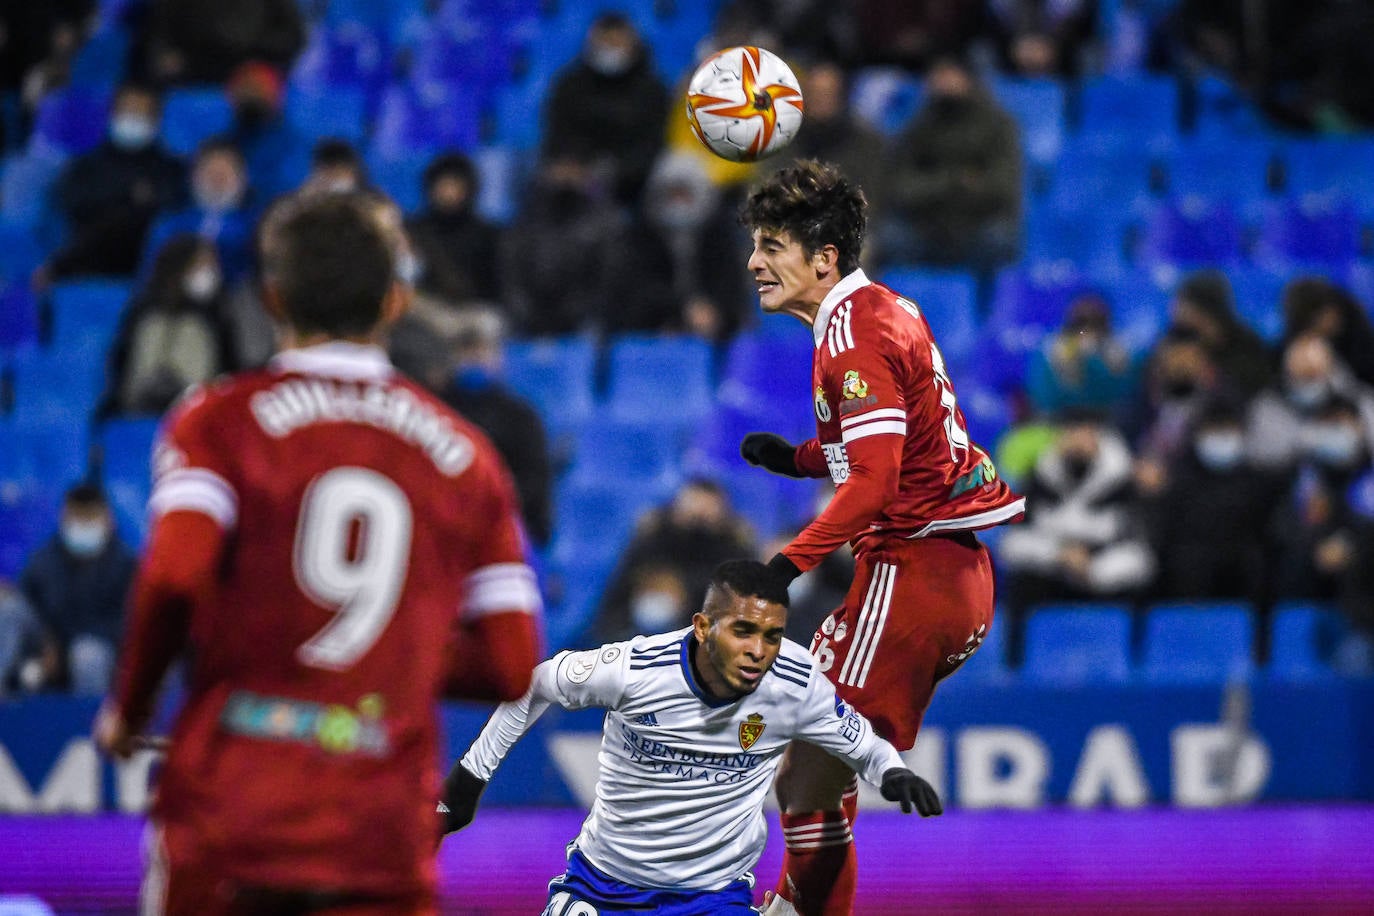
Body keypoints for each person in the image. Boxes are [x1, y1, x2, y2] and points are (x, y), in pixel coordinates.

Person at [93, 191, 542, 915]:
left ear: (273, 297)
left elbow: (175, 575)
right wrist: (405, 646)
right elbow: (512, 662)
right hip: (381, 833)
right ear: (396, 302)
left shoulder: (218, 419)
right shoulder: (466, 456)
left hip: (231, 818)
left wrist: (129, 707)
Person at [736, 161, 1024, 915]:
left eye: (771, 246)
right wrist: (798, 458)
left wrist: (782, 568)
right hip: (947, 575)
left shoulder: (852, 336)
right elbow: (892, 448)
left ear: (823, 258)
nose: (753, 263)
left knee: (805, 777)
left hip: (911, 575)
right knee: (811, 777)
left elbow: (874, 484)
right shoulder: (883, 309)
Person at [438, 560, 942, 915]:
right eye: (742, 631)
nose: (758, 650)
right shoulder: (634, 670)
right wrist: (469, 777)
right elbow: (538, 683)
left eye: (771, 635)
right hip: (604, 889)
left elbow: (859, 740)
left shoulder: (796, 682)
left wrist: (891, 770)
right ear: (703, 626)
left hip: (713, 898)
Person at [877, 56, 1023, 273]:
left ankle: (988, 303)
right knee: (889, 238)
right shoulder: (916, 127)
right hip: (925, 226)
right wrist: (953, 182)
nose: (945, 80)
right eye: (939, 73)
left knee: (999, 239)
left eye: (952, 72)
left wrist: (962, 189)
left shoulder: (997, 125)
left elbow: (1003, 186)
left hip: (978, 223)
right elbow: (900, 187)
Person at [39, 82, 187, 284]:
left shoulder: (170, 167)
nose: (133, 117)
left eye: (141, 112)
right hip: (90, 260)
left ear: (156, 119)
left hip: (143, 258)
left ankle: (58, 268)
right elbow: (72, 202)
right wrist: (128, 196)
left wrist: (110, 199)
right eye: (127, 110)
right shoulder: (86, 164)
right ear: (113, 115)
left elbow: (168, 207)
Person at [596, 478, 757, 642]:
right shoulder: (653, 536)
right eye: (693, 504)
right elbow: (619, 593)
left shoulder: (735, 546)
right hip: (638, 634)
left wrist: (685, 589)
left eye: (707, 508)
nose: (699, 514)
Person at [99, 234, 238, 418]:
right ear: (179, 267)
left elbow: (229, 372)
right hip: (139, 416)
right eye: (201, 265)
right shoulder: (144, 314)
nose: (210, 273)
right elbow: (121, 370)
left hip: (199, 417)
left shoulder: (219, 318)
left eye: (212, 266)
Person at [19, 484, 137, 696]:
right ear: (63, 518)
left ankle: (89, 723)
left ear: (108, 519)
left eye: (89, 518)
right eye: (76, 517)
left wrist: (67, 648)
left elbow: (130, 623)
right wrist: (45, 642)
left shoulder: (127, 565)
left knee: (87, 654)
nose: (82, 524)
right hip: (47, 655)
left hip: (105, 655)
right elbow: (27, 609)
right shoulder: (42, 562)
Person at [541, 12, 668, 207]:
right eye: (605, 42)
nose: (610, 49)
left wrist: (613, 170)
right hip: (577, 174)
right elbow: (558, 133)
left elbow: (654, 142)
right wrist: (572, 165)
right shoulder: (570, 85)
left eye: (616, 43)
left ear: (632, 44)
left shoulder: (652, 90)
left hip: (636, 180)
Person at [405, 152, 502, 303]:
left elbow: (495, 287)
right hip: (427, 309)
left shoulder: (488, 235)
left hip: (475, 310)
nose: (448, 193)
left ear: (469, 189)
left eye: (455, 186)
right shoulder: (413, 231)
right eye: (443, 185)